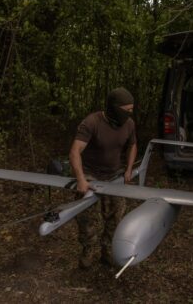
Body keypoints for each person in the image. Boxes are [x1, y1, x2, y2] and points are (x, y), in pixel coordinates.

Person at [69, 87, 137, 269]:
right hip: (91, 174)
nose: (130, 113)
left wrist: (129, 169)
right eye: (127, 109)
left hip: (114, 176)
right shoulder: (92, 122)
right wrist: (81, 179)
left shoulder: (129, 124)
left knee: (116, 216)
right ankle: (87, 252)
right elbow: (75, 151)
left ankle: (107, 252)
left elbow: (133, 145)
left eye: (132, 109)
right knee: (86, 217)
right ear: (115, 108)